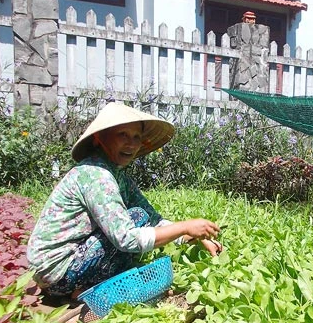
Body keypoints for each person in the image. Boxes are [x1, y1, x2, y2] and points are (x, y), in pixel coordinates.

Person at [27, 102, 223, 300]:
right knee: (135, 219)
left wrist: (195, 237)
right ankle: (80, 289)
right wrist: (184, 227)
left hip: (70, 263)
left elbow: (153, 219)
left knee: (140, 214)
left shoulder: (117, 176)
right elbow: (126, 239)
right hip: (57, 273)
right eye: (123, 135)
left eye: (136, 137)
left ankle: (86, 286)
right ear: (99, 138)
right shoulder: (96, 175)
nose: (131, 143)